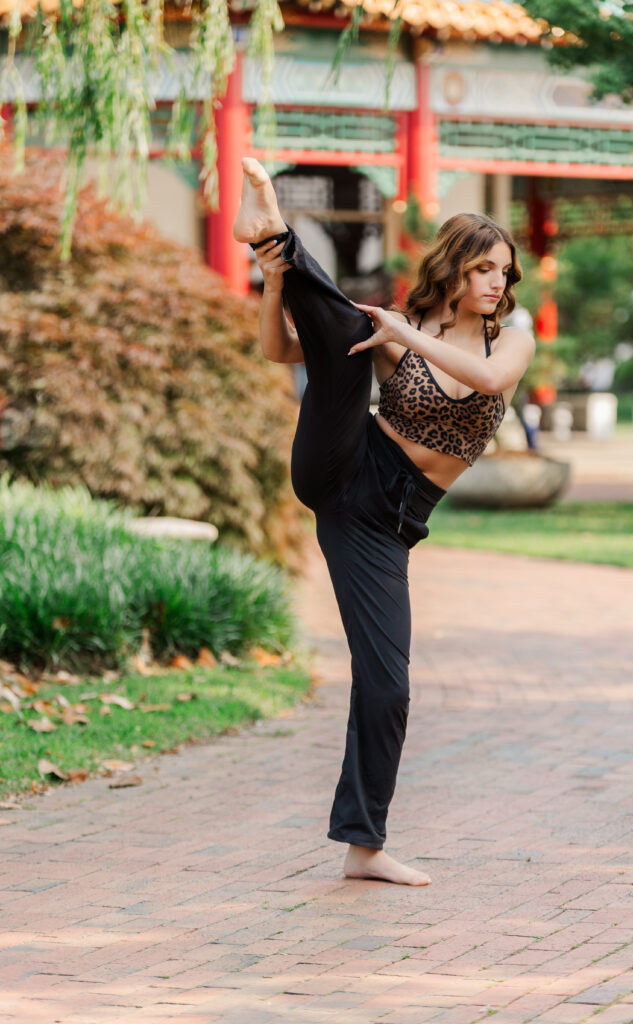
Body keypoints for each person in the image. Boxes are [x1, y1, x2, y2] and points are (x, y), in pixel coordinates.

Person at [233, 158, 535, 886]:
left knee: (386, 686)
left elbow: (487, 381)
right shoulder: (403, 325)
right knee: (346, 333)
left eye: (503, 272)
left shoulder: (508, 339)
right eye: (483, 269)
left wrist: (399, 331)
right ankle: (273, 238)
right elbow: (280, 351)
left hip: (384, 521)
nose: (496, 283)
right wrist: (275, 287)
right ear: (454, 269)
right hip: (344, 462)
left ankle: (362, 846)